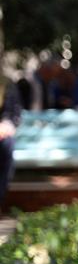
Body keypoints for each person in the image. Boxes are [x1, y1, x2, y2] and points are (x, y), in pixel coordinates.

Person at [0, 73, 22, 207]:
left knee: (7, 147)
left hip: (2, 135)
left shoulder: (6, 84)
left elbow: (14, 114)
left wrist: (6, 126)